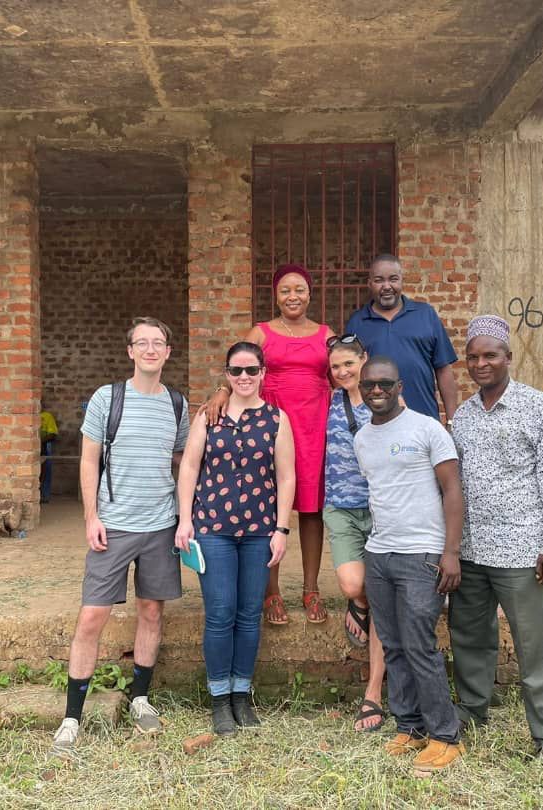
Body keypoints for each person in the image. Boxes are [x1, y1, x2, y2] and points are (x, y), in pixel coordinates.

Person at [52, 317, 190, 754]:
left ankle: (140, 697)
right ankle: (72, 716)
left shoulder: (176, 404)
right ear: (130, 351)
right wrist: (91, 516)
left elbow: (184, 464)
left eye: (158, 343)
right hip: (113, 525)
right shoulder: (107, 398)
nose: (150, 349)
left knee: (151, 612)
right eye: (142, 343)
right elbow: (88, 460)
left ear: (168, 352)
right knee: (92, 616)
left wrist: (185, 516)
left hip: (160, 524)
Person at [449, 314, 543, 760]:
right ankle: (471, 709)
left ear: (508, 357)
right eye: (473, 357)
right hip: (471, 549)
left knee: (535, 643)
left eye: (490, 355)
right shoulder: (463, 417)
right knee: (469, 636)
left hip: (523, 550)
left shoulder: (539, 408)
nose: (481, 364)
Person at [354, 356, 466, 774]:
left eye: (385, 384)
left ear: (400, 386)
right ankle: (410, 726)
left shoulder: (426, 428)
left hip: (422, 553)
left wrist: (449, 552)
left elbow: (452, 488)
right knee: (394, 643)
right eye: (369, 385)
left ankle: (446, 737)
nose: (376, 391)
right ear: (362, 388)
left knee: (419, 644)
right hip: (380, 553)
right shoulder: (362, 437)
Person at [177, 341, 296, 736]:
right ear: (226, 375)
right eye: (236, 371)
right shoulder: (208, 417)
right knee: (220, 612)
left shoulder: (277, 420)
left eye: (251, 370)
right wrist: (184, 520)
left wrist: (281, 529)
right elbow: (190, 467)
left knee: (248, 614)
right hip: (212, 528)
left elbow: (285, 476)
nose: (244, 377)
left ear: (263, 373)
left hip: (260, 530)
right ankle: (219, 698)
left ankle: (241, 693)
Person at [205, 264, 333, 626]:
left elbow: (341, 372)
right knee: (267, 506)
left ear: (310, 293)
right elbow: (238, 365)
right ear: (275, 296)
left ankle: (311, 589)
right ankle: (271, 592)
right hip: (270, 422)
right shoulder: (261, 332)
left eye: (300, 290)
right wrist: (220, 391)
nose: (293, 296)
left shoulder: (326, 334)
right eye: (285, 291)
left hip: (313, 424)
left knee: (311, 508)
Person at [322, 333, 386, 733]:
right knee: (351, 584)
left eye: (349, 363)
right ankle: (357, 605)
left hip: (382, 511)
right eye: (335, 367)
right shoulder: (328, 402)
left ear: (364, 359)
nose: (343, 371)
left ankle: (373, 691)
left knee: (381, 596)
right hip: (341, 508)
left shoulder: (389, 402)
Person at [345, 254, 459, 423]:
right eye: (379, 280)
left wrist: (451, 421)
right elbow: (351, 377)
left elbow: (443, 371)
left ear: (402, 281)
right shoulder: (357, 322)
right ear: (369, 284)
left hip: (423, 420)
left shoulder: (426, 314)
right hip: (375, 424)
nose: (387, 286)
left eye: (393, 279)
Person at [39, 404, 59, 503]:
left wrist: (39, 441)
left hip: (44, 444)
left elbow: (53, 434)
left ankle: (45, 495)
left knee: (46, 470)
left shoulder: (46, 416)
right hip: (34, 445)